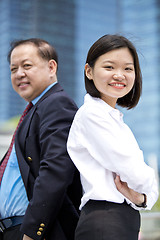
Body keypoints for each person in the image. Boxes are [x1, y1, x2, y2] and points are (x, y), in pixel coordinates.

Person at [67, 34, 159, 240]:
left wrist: (142, 198)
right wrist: (147, 184)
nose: (119, 75)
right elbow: (136, 174)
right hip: (104, 221)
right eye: (109, 67)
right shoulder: (91, 115)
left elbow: (147, 190)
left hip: (122, 219)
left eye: (128, 68)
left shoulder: (115, 120)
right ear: (89, 71)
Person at [0, 38, 82, 240]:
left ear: (51, 66)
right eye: (13, 69)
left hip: (34, 232)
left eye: (27, 66)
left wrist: (32, 231)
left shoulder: (56, 104)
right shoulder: (34, 111)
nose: (19, 74)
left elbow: (55, 170)